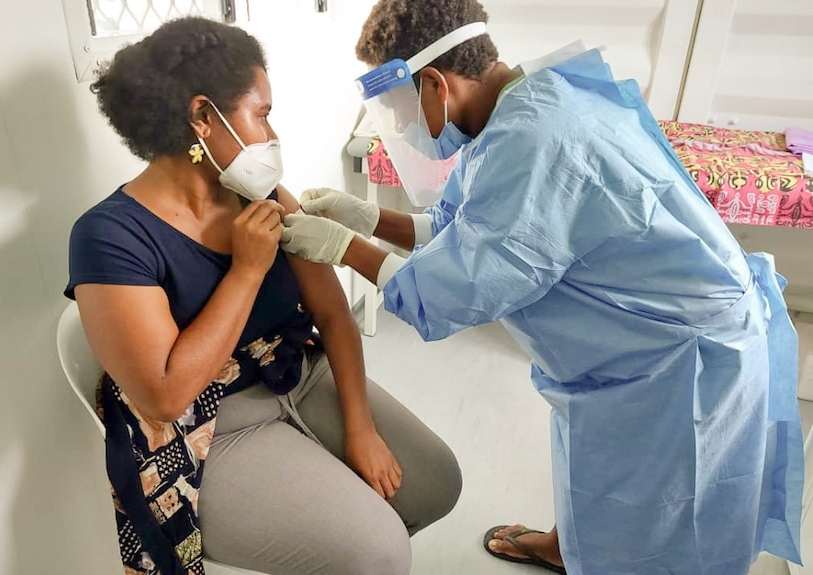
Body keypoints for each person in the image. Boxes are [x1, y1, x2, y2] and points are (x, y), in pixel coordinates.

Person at [278, 1, 805, 573]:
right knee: (597, 469)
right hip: (634, 347)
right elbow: (469, 230)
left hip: (684, 365)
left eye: (401, 109)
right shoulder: (518, 105)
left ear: (435, 82)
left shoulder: (535, 139)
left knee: (665, 516)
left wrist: (339, 246)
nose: (403, 125)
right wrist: (368, 219)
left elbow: (460, 288)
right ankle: (571, 545)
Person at [64, 16, 461, 575]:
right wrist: (246, 272)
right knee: (379, 552)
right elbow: (165, 396)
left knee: (437, 484)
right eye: (262, 114)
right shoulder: (109, 236)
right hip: (211, 424)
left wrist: (360, 426)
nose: (272, 137)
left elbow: (331, 313)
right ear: (203, 116)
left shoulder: (261, 190)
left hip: (297, 372)